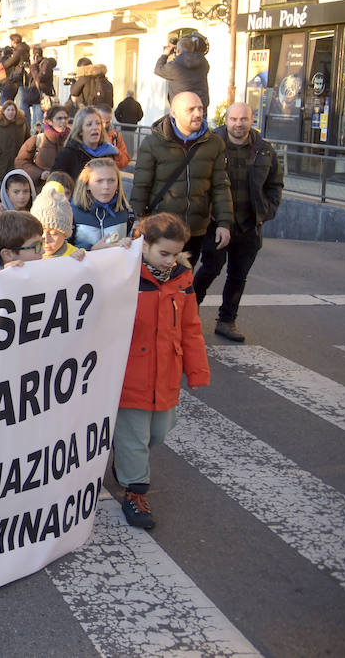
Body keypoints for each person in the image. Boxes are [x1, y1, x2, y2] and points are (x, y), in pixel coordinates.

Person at [117, 212, 210, 529]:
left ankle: (125, 461)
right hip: (131, 375)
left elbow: (191, 328)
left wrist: (197, 372)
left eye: (176, 254)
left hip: (166, 375)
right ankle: (135, 491)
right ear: (144, 246)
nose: (171, 260)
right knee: (135, 439)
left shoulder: (182, 281)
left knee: (159, 431)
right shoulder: (124, 276)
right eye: (164, 253)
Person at [192, 102, 283, 343]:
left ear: (252, 120)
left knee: (238, 275)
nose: (238, 124)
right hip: (216, 223)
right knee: (211, 268)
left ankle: (226, 320)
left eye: (243, 119)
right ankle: (188, 313)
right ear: (227, 120)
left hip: (249, 225)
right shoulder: (211, 145)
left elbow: (275, 184)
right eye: (233, 119)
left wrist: (266, 211)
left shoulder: (264, 150)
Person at [130, 91, 232, 270]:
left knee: (183, 280)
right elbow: (141, 185)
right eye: (191, 109)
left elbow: (220, 187)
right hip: (161, 229)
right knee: (156, 278)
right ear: (174, 113)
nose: (198, 113)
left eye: (200, 108)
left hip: (196, 229)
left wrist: (224, 223)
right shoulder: (153, 143)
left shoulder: (214, 143)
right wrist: (139, 222)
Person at [71, 158, 133, 250]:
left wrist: (129, 243)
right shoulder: (72, 212)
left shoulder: (127, 211)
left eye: (111, 180)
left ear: (118, 183)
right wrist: (91, 249)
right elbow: (62, 250)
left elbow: (138, 246)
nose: (106, 187)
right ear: (87, 184)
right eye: (99, 181)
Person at [51, 106, 120, 180]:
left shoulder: (108, 153)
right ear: (80, 131)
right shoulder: (67, 154)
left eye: (98, 123)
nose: (95, 127)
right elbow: (55, 184)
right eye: (89, 124)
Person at [13, 105, 70, 185]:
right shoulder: (37, 140)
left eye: (65, 118)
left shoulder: (73, 141)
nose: (63, 121)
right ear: (49, 121)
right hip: (42, 191)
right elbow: (20, 162)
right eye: (59, 118)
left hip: (67, 191)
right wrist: (39, 174)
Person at [154, 30, 211, 109]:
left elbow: (158, 69)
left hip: (181, 109)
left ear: (178, 51)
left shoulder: (174, 66)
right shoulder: (204, 63)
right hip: (200, 108)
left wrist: (165, 54)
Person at [32, 181, 83, 259]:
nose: (45, 239)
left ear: (65, 234)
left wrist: (77, 263)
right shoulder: (27, 255)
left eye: (53, 234)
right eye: (40, 232)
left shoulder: (76, 255)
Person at [0, 101, 29, 186]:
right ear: (3, 111)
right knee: (3, 189)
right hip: (1, 163)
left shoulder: (22, 124)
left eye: (13, 110)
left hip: (17, 163)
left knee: (16, 189)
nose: (10, 112)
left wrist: (24, 154)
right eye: (8, 110)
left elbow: (28, 141)